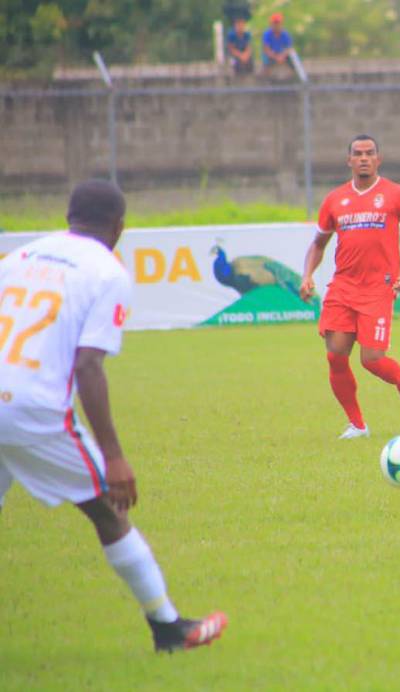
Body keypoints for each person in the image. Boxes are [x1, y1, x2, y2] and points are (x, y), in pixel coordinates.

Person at [0, 180, 227, 652]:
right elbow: (87, 365)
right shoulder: (107, 272)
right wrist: (115, 457)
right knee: (108, 509)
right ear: (119, 226)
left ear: (68, 216)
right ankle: (168, 627)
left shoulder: (18, 257)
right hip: (31, 410)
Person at [300, 135, 400, 438]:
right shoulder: (334, 200)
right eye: (358, 154)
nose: (364, 158)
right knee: (335, 356)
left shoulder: (396, 194)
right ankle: (357, 424)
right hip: (343, 287)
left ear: (378, 159)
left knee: (372, 360)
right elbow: (318, 244)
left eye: (369, 153)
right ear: (349, 160)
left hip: (378, 288)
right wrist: (307, 275)